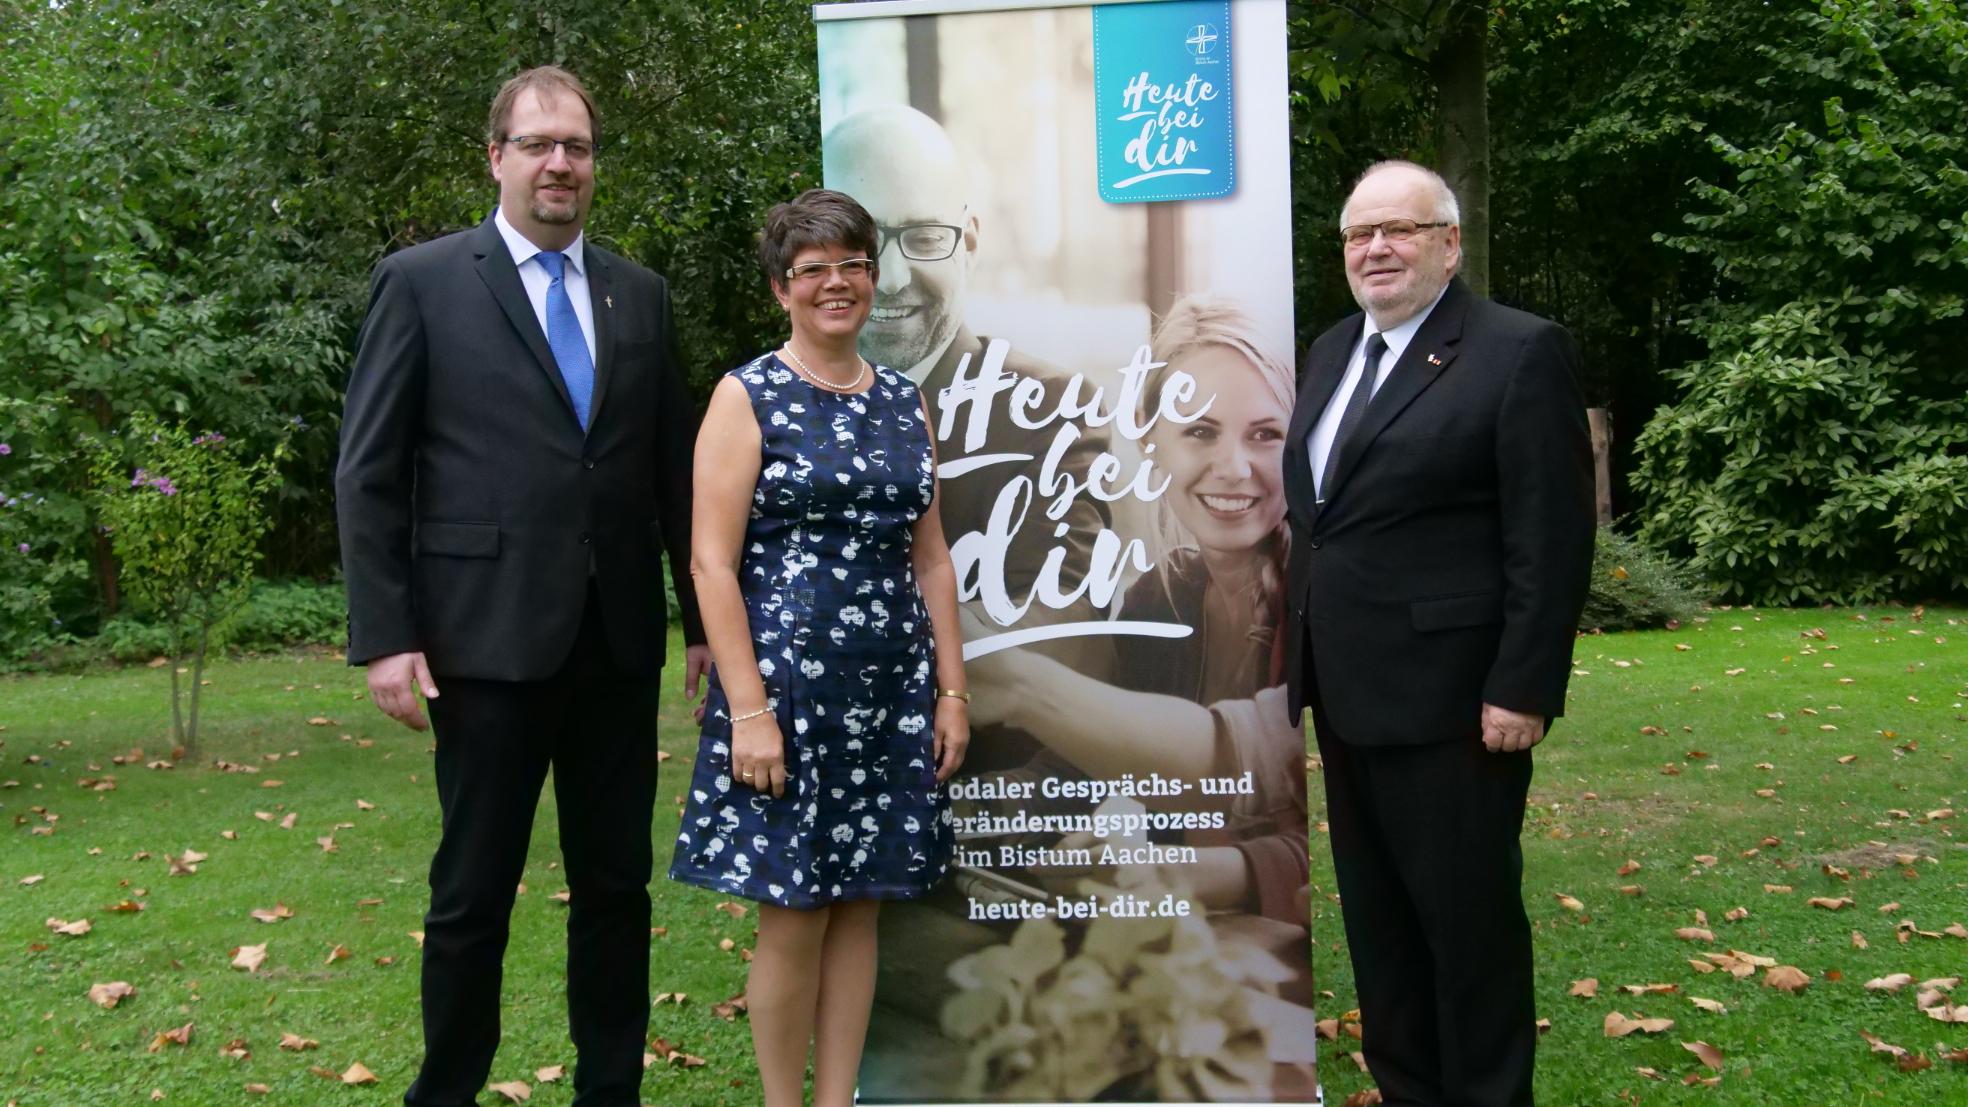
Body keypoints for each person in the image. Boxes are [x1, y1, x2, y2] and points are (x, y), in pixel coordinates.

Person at [335, 66, 708, 1107]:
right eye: (539, 144)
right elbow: (367, 469)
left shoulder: (639, 293)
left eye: (577, 147)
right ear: (495, 156)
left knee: (616, 893)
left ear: (593, 165)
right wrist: (386, 632)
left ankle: (610, 1092)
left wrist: (703, 625)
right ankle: (445, 1090)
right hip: (481, 645)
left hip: (618, 643)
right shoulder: (421, 282)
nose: (560, 164)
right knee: (470, 894)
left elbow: (673, 472)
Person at [1282, 160, 1594, 1106]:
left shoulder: (1518, 351)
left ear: (1448, 244)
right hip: (1345, 695)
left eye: (1400, 230)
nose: (1376, 248)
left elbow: (1551, 536)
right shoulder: (1334, 350)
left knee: (1469, 935)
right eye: (1358, 234)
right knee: (1382, 931)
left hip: (1459, 705)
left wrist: (1524, 685)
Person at [667, 188, 969, 1107]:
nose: (835, 284)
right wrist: (749, 712)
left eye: (852, 266)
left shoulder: (903, 400)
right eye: (813, 270)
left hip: (889, 692)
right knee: (794, 916)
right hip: (789, 695)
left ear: (872, 279)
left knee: (861, 907)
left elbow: (932, 558)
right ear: (781, 288)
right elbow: (709, 564)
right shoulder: (746, 394)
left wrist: (951, 693)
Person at [962, 295, 1307, 921]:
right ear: (1150, 442)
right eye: (1199, 431)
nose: (1233, 469)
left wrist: (1208, 874)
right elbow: (1079, 769)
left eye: (1265, 434)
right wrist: (965, 820)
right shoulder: (1164, 595)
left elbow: (1332, 808)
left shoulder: (1322, 596)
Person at [822, 105, 1113, 715]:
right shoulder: (781, 407)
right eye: (865, 241)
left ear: (969, 244)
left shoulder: (1050, 409)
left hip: (993, 783)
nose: (893, 277)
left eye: (925, 237)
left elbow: (1058, 621)